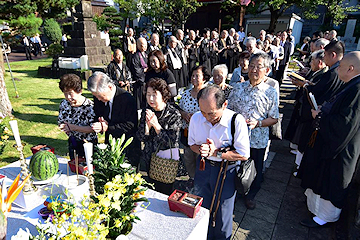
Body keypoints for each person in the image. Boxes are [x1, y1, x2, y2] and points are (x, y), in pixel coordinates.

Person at [298, 51, 360, 228]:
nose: (337, 69)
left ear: (351, 68)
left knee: (331, 181)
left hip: (340, 148)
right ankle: (316, 209)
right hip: (329, 141)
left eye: (340, 66)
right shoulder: (351, 84)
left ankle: (324, 216)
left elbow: (345, 123)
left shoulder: (357, 89)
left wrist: (319, 116)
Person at [188, 85, 250, 240]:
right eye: (203, 112)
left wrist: (216, 152)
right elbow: (192, 144)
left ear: (225, 105)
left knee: (223, 213)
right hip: (203, 167)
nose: (207, 118)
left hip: (226, 171)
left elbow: (243, 154)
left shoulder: (236, 120)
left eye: (212, 114)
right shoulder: (196, 118)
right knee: (201, 208)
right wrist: (202, 150)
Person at [228, 52, 279, 210]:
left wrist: (258, 123)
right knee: (235, 166)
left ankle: (250, 195)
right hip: (237, 137)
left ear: (267, 70)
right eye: (251, 66)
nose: (254, 70)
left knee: (255, 169)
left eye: (258, 67)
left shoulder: (270, 92)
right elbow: (229, 110)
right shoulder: (237, 88)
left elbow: (274, 118)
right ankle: (234, 192)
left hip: (257, 139)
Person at [136, 78, 182, 195]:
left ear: (163, 96)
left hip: (166, 161)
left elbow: (172, 141)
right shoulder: (147, 111)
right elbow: (141, 137)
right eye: (148, 94)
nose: (150, 99)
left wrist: (156, 126)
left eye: (154, 95)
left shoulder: (173, 114)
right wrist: (147, 127)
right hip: (149, 158)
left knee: (165, 191)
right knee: (151, 190)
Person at [88, 71, 140, 167]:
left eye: (100, 96)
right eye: (96, 96)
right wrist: (99, 123)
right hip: (110, 144)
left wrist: (108, 127)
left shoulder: (127, 99)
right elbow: (97, 114)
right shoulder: (98, 98)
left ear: (110, 87)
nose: (98, 99)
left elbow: (131, 125)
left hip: (127, 147)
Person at [178, 65, 211, 183]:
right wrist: (184, 114)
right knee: (188, 158)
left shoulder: (208, 94)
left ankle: (201, 180)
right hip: (187, 132)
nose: (194, 78)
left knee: (201, 158)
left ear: (204, 78)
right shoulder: (186, 93)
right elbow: (179, 109)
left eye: (197, 76)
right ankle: (192, 178)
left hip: (202, 133)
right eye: (192, 76)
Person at [58, 74, 97, 159]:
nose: (68, 97)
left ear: (79, 91)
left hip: (89, 144)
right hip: (73, 142)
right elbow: (61, 121)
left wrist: (73, 127)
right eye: (65, 93)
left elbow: (93, 129)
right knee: (74, 167)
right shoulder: (64, 104)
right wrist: (64, 127)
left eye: (70, 93)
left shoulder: (90, 107)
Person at [130, 37, 148, 109]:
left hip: (146, 81)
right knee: (138, 102)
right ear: (138, 45)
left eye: (145, 45)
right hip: (139, 83)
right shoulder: (136, 56)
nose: (144, 46)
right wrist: (145, 70)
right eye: (142, 45)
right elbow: (136, 70)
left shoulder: (146, 55)